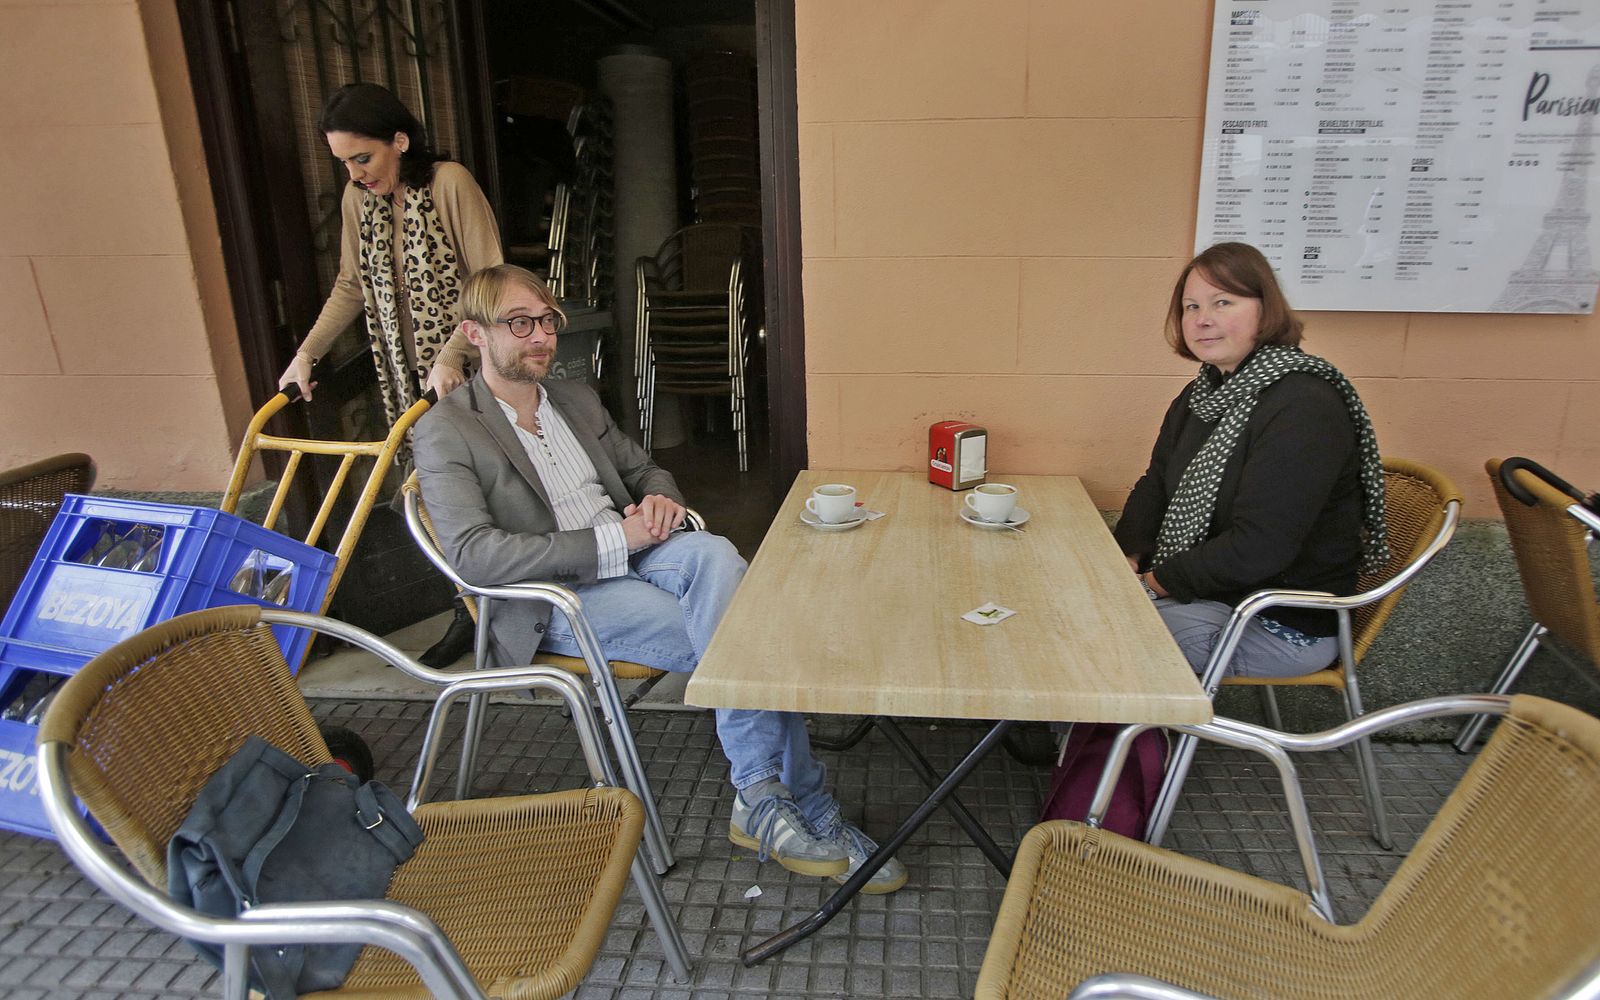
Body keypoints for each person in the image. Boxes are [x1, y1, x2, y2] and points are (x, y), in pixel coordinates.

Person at [412, 263, 908, 894]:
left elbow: (645, 468)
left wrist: (661, 504)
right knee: (748, 632)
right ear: (474, 334)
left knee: (718, 558)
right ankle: (803, 804)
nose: (541, 336)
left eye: (547, 320)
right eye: (519, 323)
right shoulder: (446, 429)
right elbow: (476, 556)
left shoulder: (574, 397)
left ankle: (760, 797)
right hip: (562, 596)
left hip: (642, 551)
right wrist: (612, 538)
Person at [277, 82, 504, 668]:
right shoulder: (361, 202)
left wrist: (454, 354)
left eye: (363, 157)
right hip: (408, 379)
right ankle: (468, 612)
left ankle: (515, 613)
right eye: (345, 163)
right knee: (436, 496)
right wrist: (307, 354)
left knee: (493, 492)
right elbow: (352, 285)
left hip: (475, 371)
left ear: (399, 140)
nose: (355, 173)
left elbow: (490, 278)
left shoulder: (449, 183)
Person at [1114, 242, 1389, 679]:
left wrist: (1150, 584)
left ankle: (1110, 744)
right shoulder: (1203, 395)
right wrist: (1126, 557)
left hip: (1277, 622)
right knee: (1081, 610)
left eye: (1223, 302)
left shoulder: (1303, 404)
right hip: (1218, 597)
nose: (1202, 319)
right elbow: (1157, 483)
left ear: (1266, 310)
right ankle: (1080, 739)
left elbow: (1261, 545)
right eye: (1191, 306)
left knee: (1103, 632)